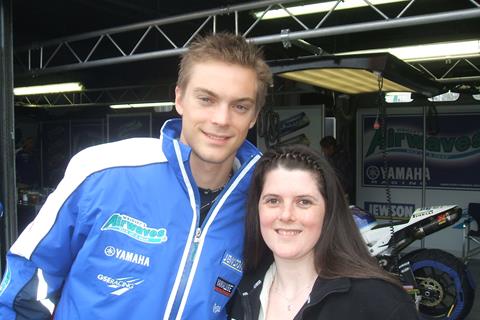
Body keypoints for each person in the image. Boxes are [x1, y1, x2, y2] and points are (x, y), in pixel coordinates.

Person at [0, 32, 272, 319]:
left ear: (254, 116)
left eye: (240, 106)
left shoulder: (263, 205)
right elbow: (26, 288)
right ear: (179, 99)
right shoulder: (103, 170)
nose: (221, 119)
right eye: (206, 99)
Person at [229, 145, 419, 320]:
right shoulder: (238, 289)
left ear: (328, 212)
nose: (286, 215)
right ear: (257, 209)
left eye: (304, 202)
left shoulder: (380, 302)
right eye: (273, 200)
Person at [319, 135, 353, 200]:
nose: (323, 151)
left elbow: (343, 178)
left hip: (342, 192)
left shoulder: (342, 158)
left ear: (331, 147)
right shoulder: (330, 157)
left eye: (324, 149)